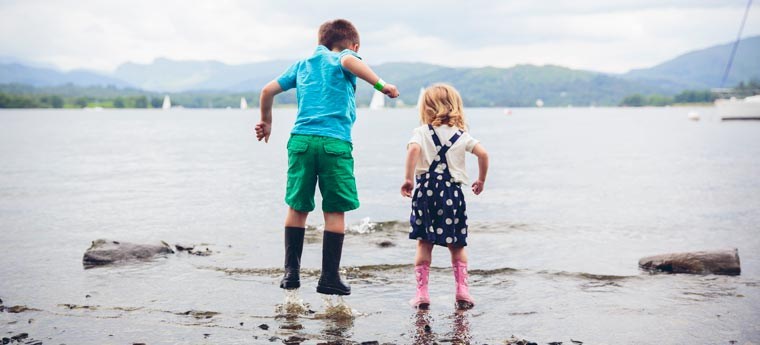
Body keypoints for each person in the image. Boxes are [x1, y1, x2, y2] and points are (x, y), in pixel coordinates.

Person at [255, 19, 399, 296]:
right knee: (334, 211)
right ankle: (329, 278)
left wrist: (266, 121)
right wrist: (382, 86)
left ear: (319, 42)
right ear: (355, 46)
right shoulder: (344, 56)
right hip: (334, 144)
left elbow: (267, 91)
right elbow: (348, 63)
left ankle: (291, 274)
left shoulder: (302, 64)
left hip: (301, 143)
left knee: (297, 208)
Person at [401, 84, 489, 309]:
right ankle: (462, 291)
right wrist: (481, 180)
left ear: (426, 108)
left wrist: (409, 179)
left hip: (426, 192)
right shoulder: (461, 135)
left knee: (424, 243)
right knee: (457, 244)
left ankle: (422, 294)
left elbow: (413, 151)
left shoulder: (421, 132)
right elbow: (483, 153)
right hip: (452, 193)